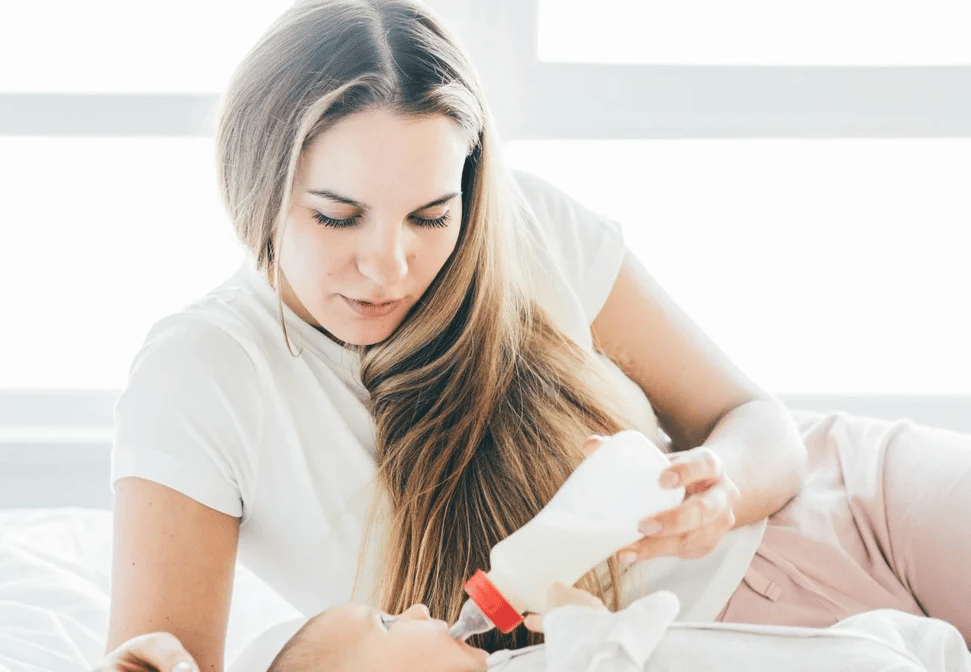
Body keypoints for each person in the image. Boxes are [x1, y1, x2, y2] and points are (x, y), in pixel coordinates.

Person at [101, 0, 971, 671]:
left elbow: (757, 423)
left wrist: (720, 487)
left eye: (431, 215)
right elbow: (161, 656)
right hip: (671, 649)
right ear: (254, 184)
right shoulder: (202, 375)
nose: (392, 266)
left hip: (858, 507)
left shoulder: (523, 229)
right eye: (337, 217)